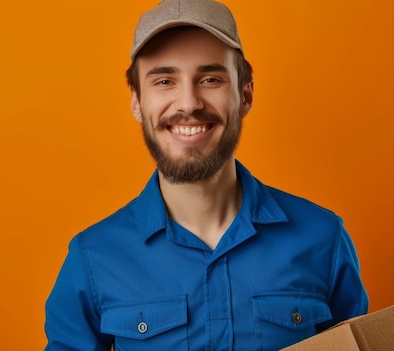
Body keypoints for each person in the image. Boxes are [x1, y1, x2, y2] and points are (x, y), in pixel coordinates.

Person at [44, 0, 369, 349]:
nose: (188, 103)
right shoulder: (92, 258)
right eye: (165, 80)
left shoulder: (324, 238)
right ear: (137, 101)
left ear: (245, 95)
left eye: (210, 78)